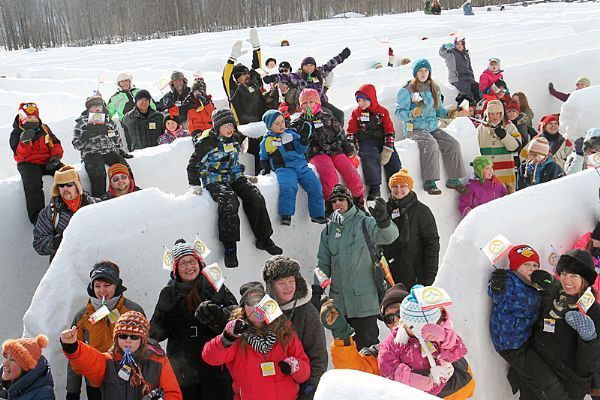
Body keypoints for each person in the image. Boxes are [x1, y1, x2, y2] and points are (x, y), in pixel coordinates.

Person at [187, 108, 282, 268]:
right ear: (217, 127)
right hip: (215, 178)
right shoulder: (207, 143)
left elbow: (250, 148)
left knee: (255, 197)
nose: (229, 129)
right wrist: (194, 184)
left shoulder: (236, 137)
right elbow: (192, 165)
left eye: (231, 125)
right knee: (230, 203)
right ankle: (230, 248)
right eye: (225, 126)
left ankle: (264, 239)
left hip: (235, 175)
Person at [150, 239, 238, 400]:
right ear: (176, 269)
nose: (189, 267)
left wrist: (219, 316)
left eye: (192, 261)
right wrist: (162, 313)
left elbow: (237, 316)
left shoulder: (214, 284)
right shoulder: (169, 293)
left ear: (199, 262)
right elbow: (155, 334)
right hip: (183, 369)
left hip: (216, 365)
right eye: (183, 263)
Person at [315, 184, 399, 349]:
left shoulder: (364, 222)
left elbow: (390, 236)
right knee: (344, 349)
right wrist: (317, 288)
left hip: (364, 304)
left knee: (367, 349)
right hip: (339, 305)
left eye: (342, 200)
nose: (338, 204)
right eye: (334, 201)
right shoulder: (327, 231)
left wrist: (384, 222)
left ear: (349, 202)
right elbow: (323, 264)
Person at [513, 250, 600, 400]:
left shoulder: (594, 311)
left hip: (563, 386)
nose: (567, 281)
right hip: (536, 375)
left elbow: (589, 366)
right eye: (564, 274)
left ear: (585, 279)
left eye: (574, 276)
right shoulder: (554, 293)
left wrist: (589, 340)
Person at [202, 282, 311, 400]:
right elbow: (210, 357)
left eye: (261, 302)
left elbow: (304, 374)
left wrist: (296, 366)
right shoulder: (236, 335)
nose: (257, 308)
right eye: (251, 303)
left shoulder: (285, 332)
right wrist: (225, 339)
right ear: (243, 308)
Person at [488, 245, 571, 400]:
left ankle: (520, 378)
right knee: (549, 382)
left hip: (528, 339)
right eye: (526, 264)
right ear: (515, 267)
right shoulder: (510, 281)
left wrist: (551, 285)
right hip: (512, 346)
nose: (532, 268)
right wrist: (497, 286)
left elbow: (554, 300)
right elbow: (497, 293)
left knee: (540, 379)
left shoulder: (533, 286)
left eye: (535, 265)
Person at [67, 261, 145, 400]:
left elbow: (146, 347)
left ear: (116, 285)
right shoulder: (83, 316)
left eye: (107, 285)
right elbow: (74, 355)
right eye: (97, 286)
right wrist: (73, 392)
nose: (102, 290)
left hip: (127, 382)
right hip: (95, 384)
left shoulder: (133, 311)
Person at [61, 311, 182, 400]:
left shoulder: (158, 360)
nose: (128, 340)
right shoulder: (108, 361)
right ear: (116, 339)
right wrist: (72, 346)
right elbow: (88, 359)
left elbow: (173, 394)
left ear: (143, 339)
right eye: (123, 336)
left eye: (134, 336)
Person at [377, 285, 470, 398]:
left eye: (398, 313)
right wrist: (421, 381)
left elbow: (458, 350)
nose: (396, 320)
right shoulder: (393, 344)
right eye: (389, 318)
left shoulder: (434, 333)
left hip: (447, 391)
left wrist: (445, 337)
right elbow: (388, 369)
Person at [395, 58, 467, 195]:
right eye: (420, 70)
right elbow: (399, 112)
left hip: (432, 127)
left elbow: (438, 110)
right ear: (415, 72)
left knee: (452, 144)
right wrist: (411, 114)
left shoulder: (434, 88)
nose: (423, 73)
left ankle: (453, 179)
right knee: (430, 143)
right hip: (414, 128)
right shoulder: (407, 89)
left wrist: (451, 113)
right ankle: (430, 181)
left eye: (426, 70)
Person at [262, 256, 328, 400]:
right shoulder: (263, 310)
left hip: (299, 387)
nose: (288, 287)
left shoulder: (308, 313)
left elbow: (319, 356)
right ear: (271, 286)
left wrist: (311, 387)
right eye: (281, 283)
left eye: (291, 281)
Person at [290, 89, 365, 207]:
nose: (309, 105)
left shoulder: (327, 116)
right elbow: (294, 138)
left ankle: (358, 198)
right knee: (329, 173)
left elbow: (339, 132)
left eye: (311, 102)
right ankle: (331, 203)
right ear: (301, 105)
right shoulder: (299, 122)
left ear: (318, 103)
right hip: (316, 153)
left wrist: (348, 147)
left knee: (349, 170)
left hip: (335, 149)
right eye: (305, 103)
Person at [259, 109, 326, 226]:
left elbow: (301, 149)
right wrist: (265, 167)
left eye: (282, 122)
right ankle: (286, 214)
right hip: (285, 168)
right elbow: (263, 155)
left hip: (302, 166)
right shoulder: (268, 141)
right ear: (269, 127)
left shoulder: (291, 134)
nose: (281, 125)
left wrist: (304, 140)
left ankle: (317, 214)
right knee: (288, 187)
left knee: (315, 186)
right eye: (277, 123)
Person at [382, 170, 440, 290]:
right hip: (390, 276)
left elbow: (432, 244)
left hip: (416, 275)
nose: (399, 189)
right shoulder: (384, 210)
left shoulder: (421, 211)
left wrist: (429, 276)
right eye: (395, 186)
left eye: (403, 186)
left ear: (410, 188)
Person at [263, 48, 351, 125]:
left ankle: (339, 134)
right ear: (302, 67)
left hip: (321, 102)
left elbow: (331, 64)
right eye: (306, 65)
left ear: (314, 66)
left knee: (339, 114)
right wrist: (271, 78)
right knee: (328, 114)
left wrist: (342, 56)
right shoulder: (298, 76)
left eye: (311, 65)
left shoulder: (319, 72)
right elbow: (284, 77)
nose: (309, 67)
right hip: (306, 105)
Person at [10, 102, 64, 223]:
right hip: (28, 164)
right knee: (33, 185)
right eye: (29, 117)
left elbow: (55, 143)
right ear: (22, 118)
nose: (32, 120)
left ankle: (71, 205)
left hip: (47, 161)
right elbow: (19, 156)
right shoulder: (16, 133)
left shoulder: (44, 128)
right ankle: (39, 220)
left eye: (34, 117)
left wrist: (55, 156)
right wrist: (24, 142)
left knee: (67, 174)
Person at [347, 84, 401, 200]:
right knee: (369, 156)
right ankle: (374, 187)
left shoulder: (382, 112)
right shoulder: (356, 113)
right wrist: (352, 148)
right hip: (367, 142)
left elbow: (389, 130)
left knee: (394, 161)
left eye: (364, 100)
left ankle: (396, 187)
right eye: (359, 100)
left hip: (383, 140)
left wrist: (388, 148)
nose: (361, 103)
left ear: (372, 98)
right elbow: (351, 132)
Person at [222, 29, 266, 174]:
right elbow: (225, 78)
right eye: (243, 74)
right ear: (236, 77)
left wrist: (256, 48)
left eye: (247, 73)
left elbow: (257, 68)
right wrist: (232, 59)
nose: (247, 75)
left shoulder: (254, 84)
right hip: (245, 129)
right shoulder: (235, 90)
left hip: (262, 126)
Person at [33, 166, 98, 261]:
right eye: (61, 185)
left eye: (69, 184)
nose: (65, 188)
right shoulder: (49, 213)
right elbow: (39, 243)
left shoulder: (94, 205)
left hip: (93, 258)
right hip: (65, 264)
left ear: (77, 185)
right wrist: (61, 240)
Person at [72, 94, 130, 197]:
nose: (97, 108)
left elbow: (117, 138)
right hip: (91, 153)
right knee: (98, 172)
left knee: (123, 166)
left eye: (99, 106)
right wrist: (86, 136)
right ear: (89, 109)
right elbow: (76, 145)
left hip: (108, 151)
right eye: (94, 106)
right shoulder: (82, 123)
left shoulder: (108, 121)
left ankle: (129, 192)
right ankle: (100, 198)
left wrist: (120, 150)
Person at [477, 99, 521, 193]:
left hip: (505, 174)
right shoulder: (481, 128)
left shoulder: (510, 127)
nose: (495, 117)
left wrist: (504, 135)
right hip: (487, 174)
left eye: (498, 113)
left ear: (502, 113)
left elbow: (516, 147)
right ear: (487, 114)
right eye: (492, 114)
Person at [1, 335, 54, 399]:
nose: (4, 363)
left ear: (25, 368)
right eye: (6, 357)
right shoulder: (9, 380)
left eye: (12, 360)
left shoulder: (43, 396)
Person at [439, 35, 479, 101]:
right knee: (466, 94)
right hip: (457, 79)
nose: (460, 45)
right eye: (458, 44)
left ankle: (476, 105)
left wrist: (472, 77)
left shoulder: (466, 54)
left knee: (476, 87)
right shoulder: (451, 53)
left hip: (467, 77)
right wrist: (444, 47)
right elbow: (442, 53)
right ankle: (467, 107)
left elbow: (469, 67)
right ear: (455, 45)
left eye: (461, 44)